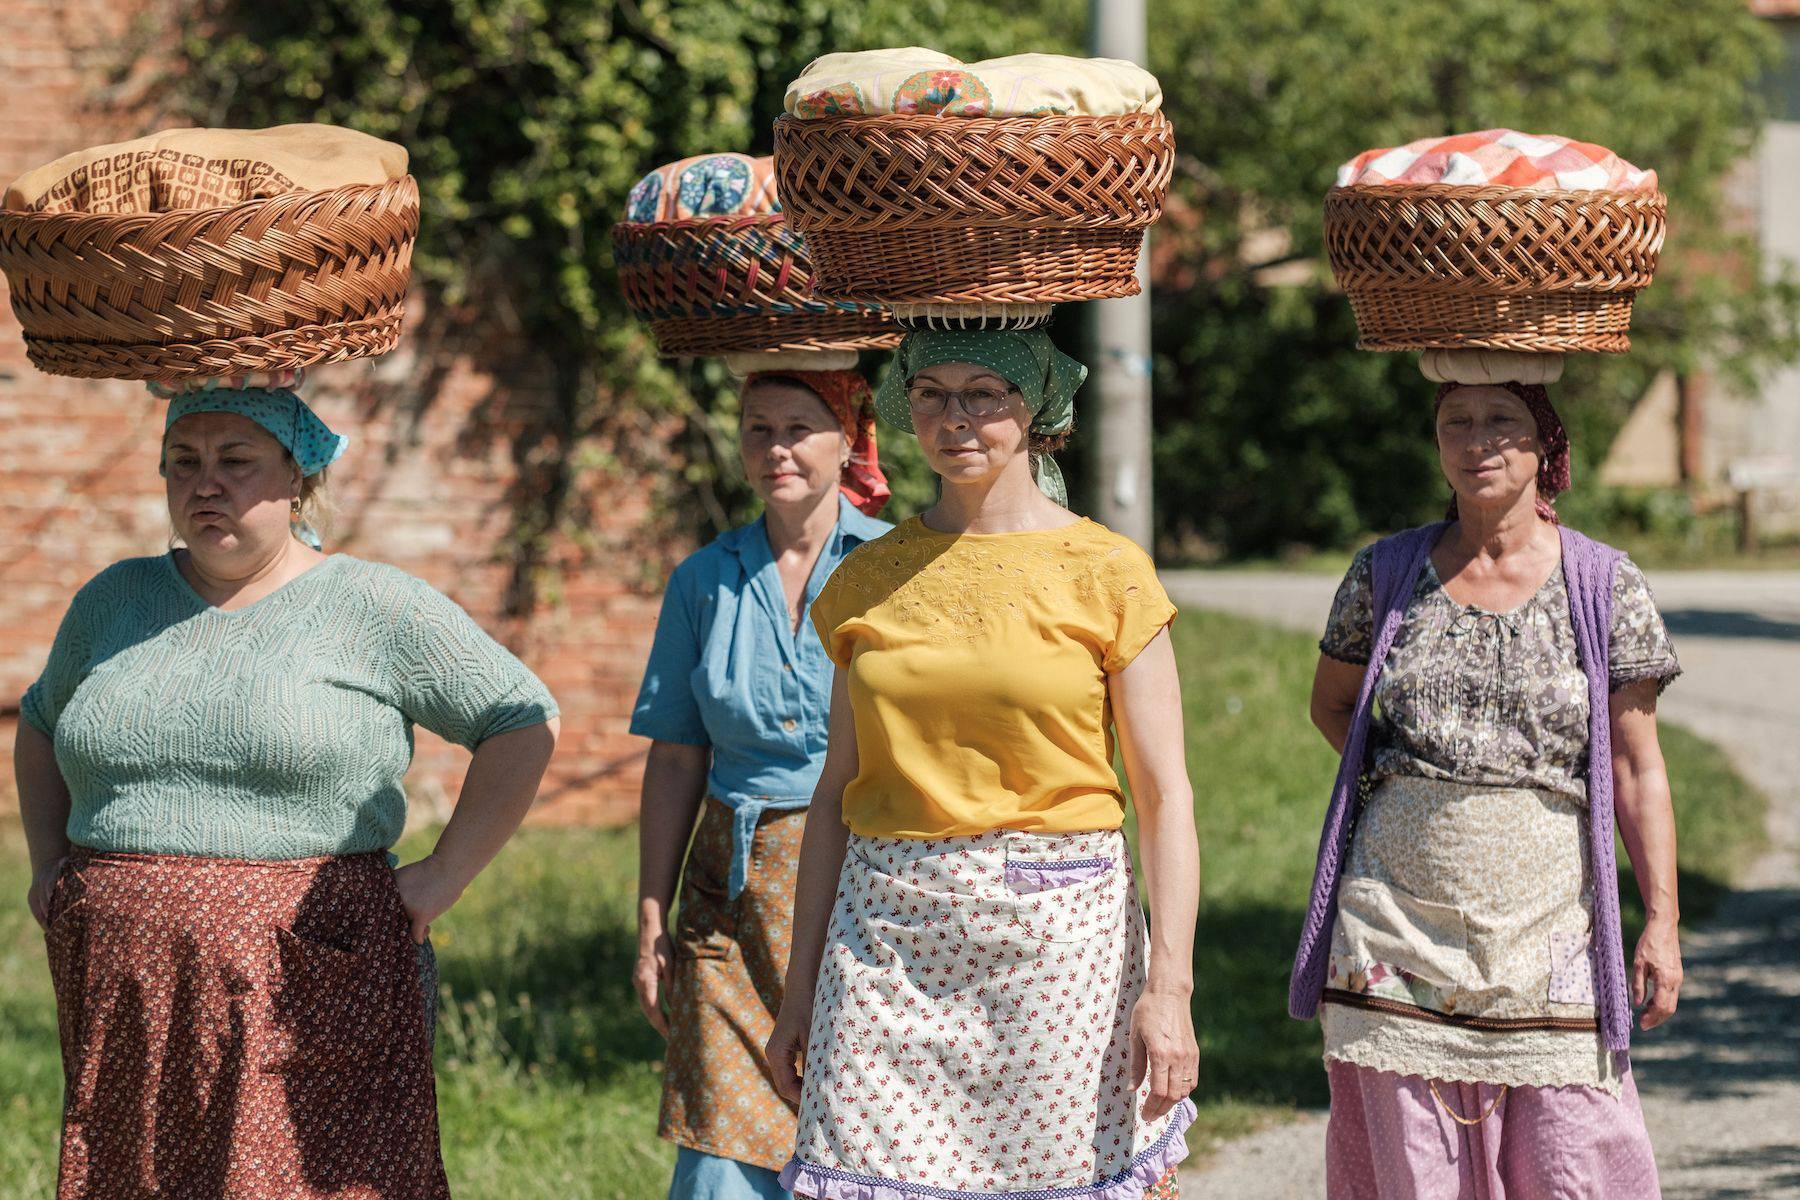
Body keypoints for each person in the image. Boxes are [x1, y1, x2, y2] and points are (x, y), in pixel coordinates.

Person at [17, 381, 559, 1199]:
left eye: (236, 461)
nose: (206, 483)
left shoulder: (369, 604)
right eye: (182, 463)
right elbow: (41, 723)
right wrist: (48, 863)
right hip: (126, 982)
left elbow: (521, 719)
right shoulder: (112, 602)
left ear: (298, 475)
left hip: (309, 971)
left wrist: (446, 874)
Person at [764, 328, 1201, 1200]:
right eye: (931, 393)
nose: (955, 418)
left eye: (983, 395)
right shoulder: (866, 579)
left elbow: (1164, 797)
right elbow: (834, 799)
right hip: (885, 944)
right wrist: (799, 988)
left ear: (1034, 408)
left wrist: (1171, 990)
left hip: (1058, 949)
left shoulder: (1107, 572)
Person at [1292, 381, 1683, 1197]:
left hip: (1549, 928)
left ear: (1545, 443)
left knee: (1571, 1162)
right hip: (1393, 927)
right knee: (1414, 1175)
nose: (1478, 442)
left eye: (1501, 421)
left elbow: (1636, 766)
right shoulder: (1385, 572)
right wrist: (1422, 797)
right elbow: (1334, 703)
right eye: (1455, 422)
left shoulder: (1605, 585)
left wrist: (1664, 922)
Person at [631, 369, 891, 1200]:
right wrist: (649, 914)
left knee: (857, 1118)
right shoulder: (703, 580)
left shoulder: (894, 567)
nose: (776, 447)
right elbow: (676, 757)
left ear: (847, 438)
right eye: (756, 429)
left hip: (862, 885)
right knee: (721, 1139)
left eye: (799, 427)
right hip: (728, 894)